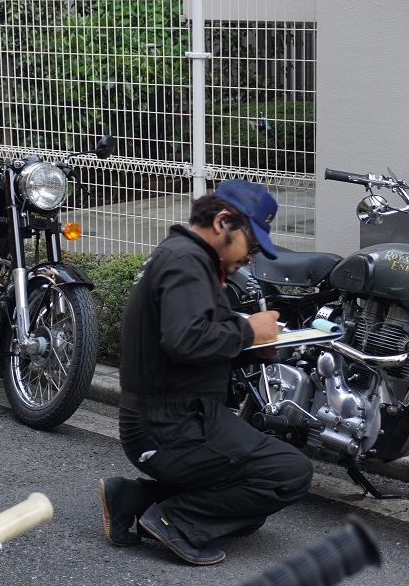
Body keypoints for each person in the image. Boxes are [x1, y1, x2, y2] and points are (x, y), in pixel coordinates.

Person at [98, 179, 313, 566]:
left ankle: (130, 500)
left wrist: (257, 347)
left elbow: (189, 348)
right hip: (170, 426)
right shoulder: (188, 262)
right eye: (252, 242)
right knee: (288, 474)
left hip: (169, 419)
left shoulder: (183, 256)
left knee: (244, 515)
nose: (251, 257)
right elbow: (186, 340)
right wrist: (250, 331)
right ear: (223, 222)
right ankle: (174, 522)